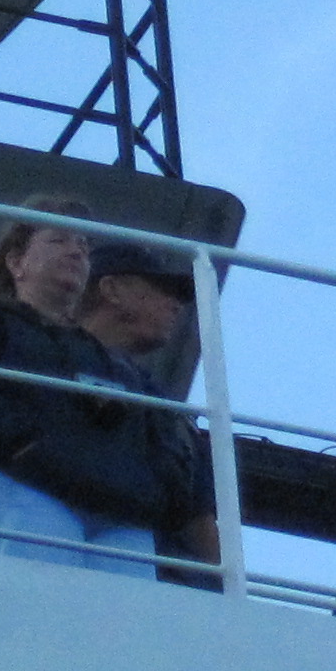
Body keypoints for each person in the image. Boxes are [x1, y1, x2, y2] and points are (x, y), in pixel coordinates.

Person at [0, 197, 199, 578]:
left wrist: (153, 493)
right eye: (58, 240)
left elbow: (166, 443)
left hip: (120, 518)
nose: (76, 251)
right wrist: (28, 449)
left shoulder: (117, 364)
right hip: (26, 490)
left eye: (83, 245)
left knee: (116, 619)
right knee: (30, 607)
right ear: (16, 262)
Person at [76, 241, 221, 590]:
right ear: (111, 289)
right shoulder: (43, 361)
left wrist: (228, 589)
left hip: (165, 580)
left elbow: (199, 517)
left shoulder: (163, 404)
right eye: (161, 289)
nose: (176, 305)